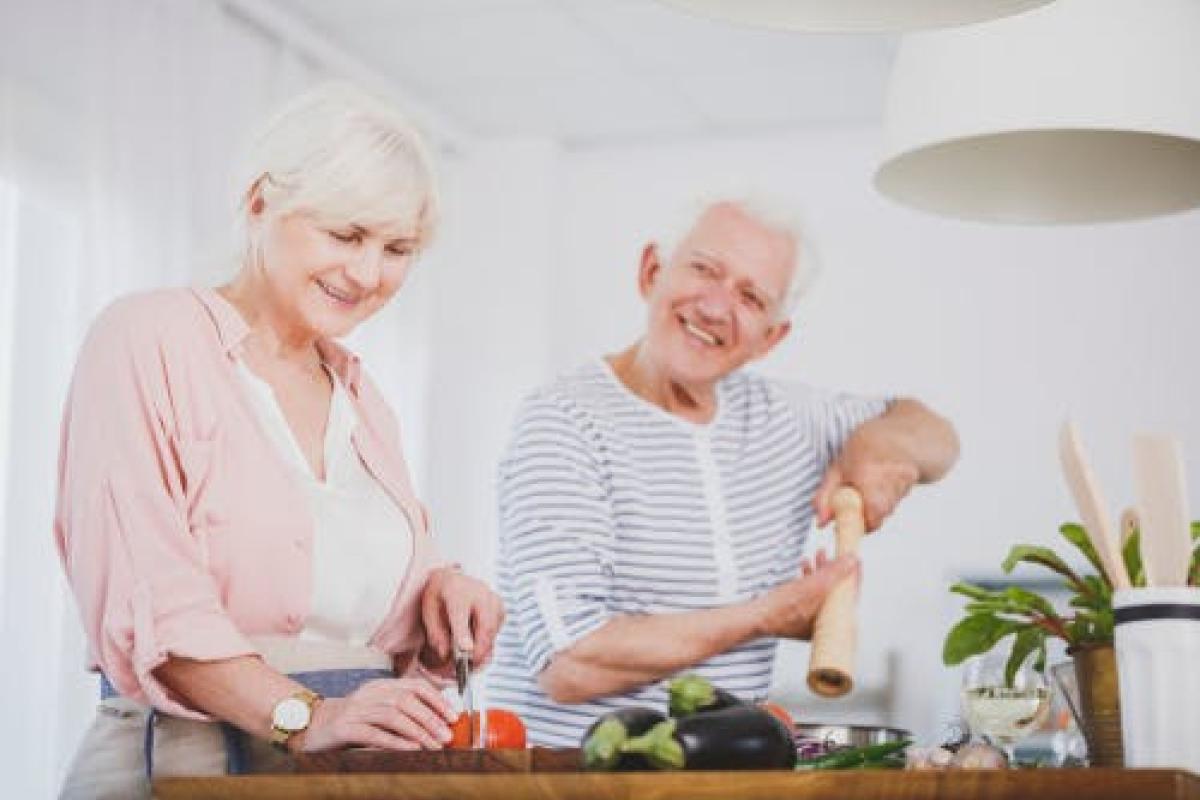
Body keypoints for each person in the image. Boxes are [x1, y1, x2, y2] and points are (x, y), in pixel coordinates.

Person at [54, 83, 503, 798]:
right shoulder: (147, 339)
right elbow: (153, 597)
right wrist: (304, 715)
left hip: (336, 779)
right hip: (187, 765)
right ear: (260, 202)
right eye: (346, 234)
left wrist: (439, 593)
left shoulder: (362, 397)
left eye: (397, 248)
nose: (368, 273)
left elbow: (352, 592)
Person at [488, 198, 959, 746]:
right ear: (651, 272)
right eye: (704, 269)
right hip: (572, 781)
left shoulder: (789, 419)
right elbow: (570, 662)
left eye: (750, 297)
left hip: (723, 776)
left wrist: (877, 445)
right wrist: (770, 615)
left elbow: (936, 435)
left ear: (770, 337)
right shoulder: (564, 421)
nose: (715, 307)